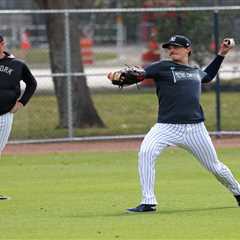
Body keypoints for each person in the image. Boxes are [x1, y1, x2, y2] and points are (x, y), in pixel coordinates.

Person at [108, 35, 240, 212]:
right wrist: (122, 76)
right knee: (146, 152)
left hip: (195, 128)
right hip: (166, 127)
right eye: (170, 47)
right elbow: (141, 73)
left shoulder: (195, 71)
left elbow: (207, 76)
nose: (172, 50)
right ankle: (148, 202)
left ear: (187, 49)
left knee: (215, 167)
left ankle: (238, 192)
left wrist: (222, 53)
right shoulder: (162, 67)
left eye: (176, 47)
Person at [0, 34, 37, 200]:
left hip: (4, 115)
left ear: (2, 44)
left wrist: (21, 103)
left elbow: (32, 83)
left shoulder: (17, 65)